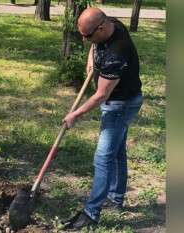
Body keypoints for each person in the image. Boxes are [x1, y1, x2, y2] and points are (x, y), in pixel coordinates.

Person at [62, 8, 143, 230]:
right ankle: (115, 198)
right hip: (120, 99)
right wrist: (91, 58)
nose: (83, 38)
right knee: (117, 152)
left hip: (120, 104)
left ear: (101, 27)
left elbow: (101, 95)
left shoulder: (117, 52)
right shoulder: (110, 24)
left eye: (87, 35)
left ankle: (91, 212)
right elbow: (95, 44)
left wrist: (75, 114)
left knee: (103, 157)